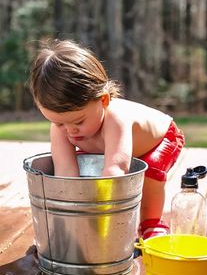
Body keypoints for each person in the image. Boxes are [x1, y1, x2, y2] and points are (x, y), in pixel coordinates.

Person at [30, 39, 185, 240]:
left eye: (78, 121)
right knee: (87, 169)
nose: (69, 130)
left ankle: (151, 223)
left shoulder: (116, 119)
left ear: (103, 100)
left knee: (150, 172)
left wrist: (101, 220)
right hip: (107, 149)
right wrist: (70, 217)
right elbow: (65, 173)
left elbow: (116, 170)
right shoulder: (62, 127)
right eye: (59, 123)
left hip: (160, 141)